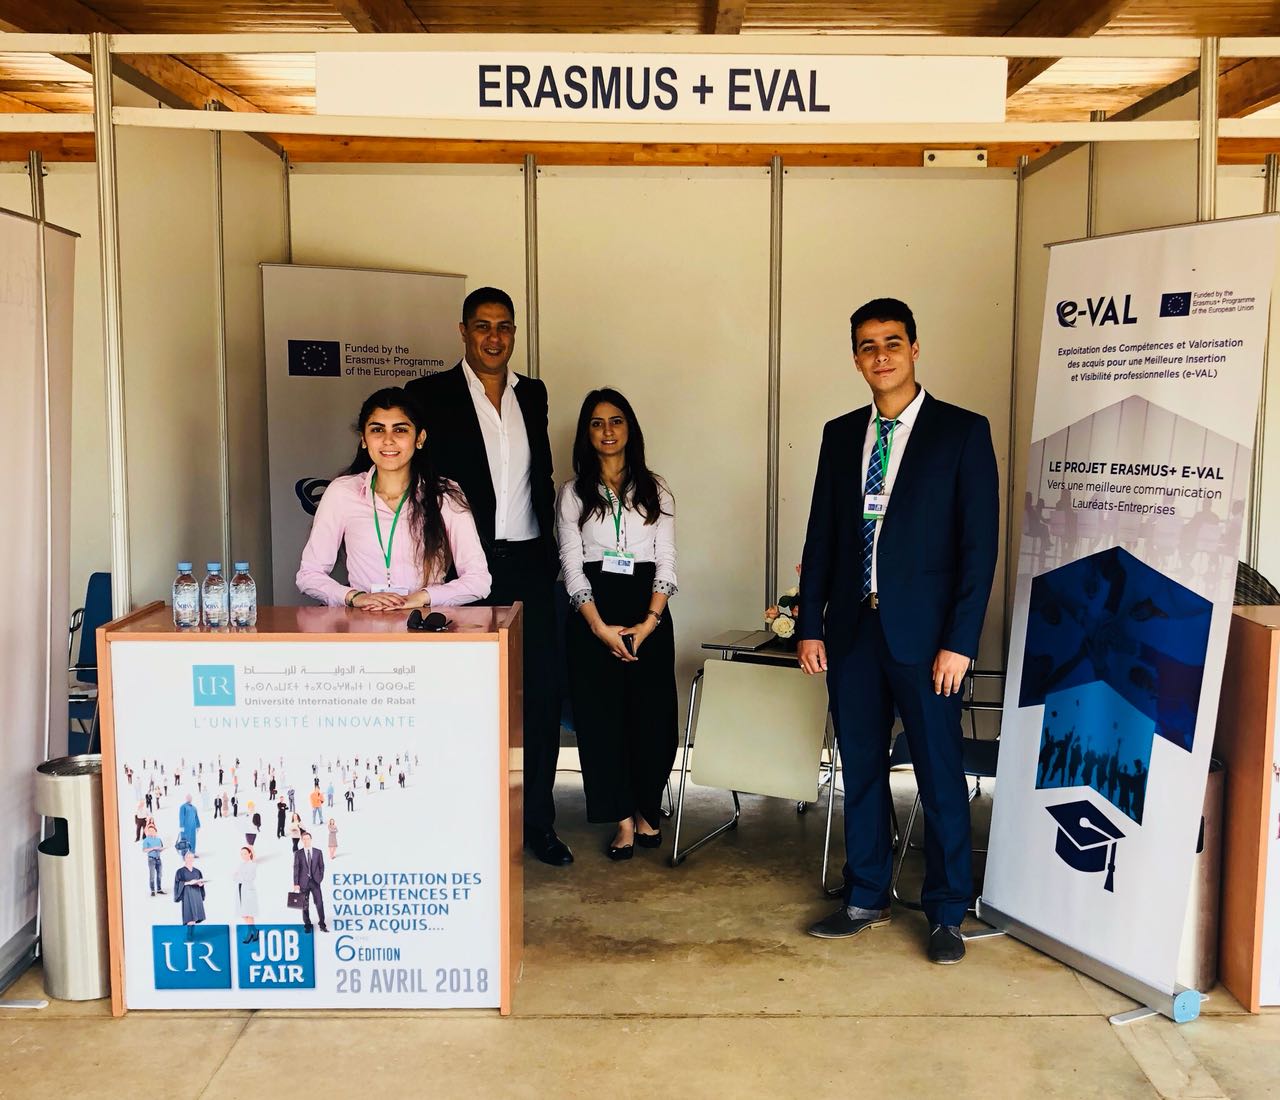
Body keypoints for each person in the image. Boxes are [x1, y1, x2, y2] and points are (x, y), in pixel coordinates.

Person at [798, 298, 998, 966]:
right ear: (856, 358)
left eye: (891, 342)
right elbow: (822, 537)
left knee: (939, 777)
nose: (880, 356)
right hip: (854, 633)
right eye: (867, 345)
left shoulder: (961, 432)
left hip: (929, 642)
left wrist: (961, 642)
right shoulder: (839, 435)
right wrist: (809, 624)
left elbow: (978, 549)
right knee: (860, 769)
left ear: (914, 348)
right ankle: (865, 897)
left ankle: (946, 912)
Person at [406, 287, 572, 868]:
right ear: (463, 331)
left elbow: (540, 475)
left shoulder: (533, 393)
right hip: (463, 569)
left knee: (541, 694)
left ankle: (539, 824)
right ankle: (468, 822)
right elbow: (415, 475)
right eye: (482, 326)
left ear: (514, 332)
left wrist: (554, 555)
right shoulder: (429, 395)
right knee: (467, 697)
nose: (494, 337)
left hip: (529, 563)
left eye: (504, 326)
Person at [556, 389, 678, 860]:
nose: (607, 431)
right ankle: (623, 819)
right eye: (597, 423)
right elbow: (571, 564)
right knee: (602, 722)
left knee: (654, 721)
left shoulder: (656, 488)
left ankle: (648, 809)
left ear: (630, 428)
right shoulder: (573, 493)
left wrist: (650, 621)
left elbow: (667, 559)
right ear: (586, 433)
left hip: (649, 608)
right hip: (594, 610)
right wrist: (598, 626)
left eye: (616, 421)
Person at [296, 386, 491, 612]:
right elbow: (309, 575)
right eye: (377, 430)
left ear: (419, 438)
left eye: (400, 430)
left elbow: (478, 580)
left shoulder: (445, 494)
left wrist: (422, 598)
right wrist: (354, 597)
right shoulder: (342, 492)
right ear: (364, 439)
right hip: (362, 625)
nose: (388, 440)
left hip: (425, 624)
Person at [292, 831, 327, 933]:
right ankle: (307, 924)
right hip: (303, 883)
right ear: (302, 840)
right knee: (304, 905)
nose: (306, 841)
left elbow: (322, 866)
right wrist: (296, 883)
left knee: (319, 903)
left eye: (308, 839)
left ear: (311, 839)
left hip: (315, 882)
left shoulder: (318, 852)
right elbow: (296, 868)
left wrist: (320, 878)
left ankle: (322, 924)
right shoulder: (298, 853)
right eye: (304, 839)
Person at [173, 851, 207, 940]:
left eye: (192, 857)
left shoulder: (197, 871)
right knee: (189, 915)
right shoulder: (180, 871)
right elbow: (178, 883)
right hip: (187, 894)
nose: (190, 859)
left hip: (196, 893)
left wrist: (201, 884)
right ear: (185, 858)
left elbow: (200, 881)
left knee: (196, 916)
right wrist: (188, 882)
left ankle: (193, 934)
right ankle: (189, 935)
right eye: (189, 857)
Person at [233, 846, 259, 944]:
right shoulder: (241, 865)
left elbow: (249, 878)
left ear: (249, 854)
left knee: (249, 912)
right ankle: (254, 931)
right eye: (241, 854)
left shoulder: (252, 864)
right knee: (243, 913)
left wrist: (239, 876)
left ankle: (250, 933)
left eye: (245, 853)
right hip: (240, 889)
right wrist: (239, 877)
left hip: (248, 890)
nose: (243, 855)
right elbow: (234, 877)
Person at [141, 822, 165, 897]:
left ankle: (159, 889)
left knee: (159, 875)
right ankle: (152, 890)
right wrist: (153, 848)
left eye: (152, 830)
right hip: (151, 859)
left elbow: (160, 849)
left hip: (158, 859)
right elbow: (144, 850)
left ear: (155, 831)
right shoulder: (146, 840)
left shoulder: (159, 839)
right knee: (152, 875)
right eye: (149, 830)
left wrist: (163, 849)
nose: (151, 832)